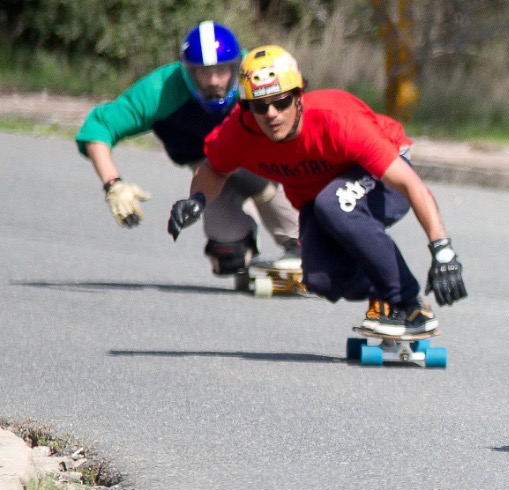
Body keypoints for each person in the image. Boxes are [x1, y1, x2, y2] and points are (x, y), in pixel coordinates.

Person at [167, 45, 467, 335]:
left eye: (281, 102)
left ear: (300, 95)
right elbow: (212, 170)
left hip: (382, 177)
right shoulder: (240, 133)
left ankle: (410, 307)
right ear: (247, 108)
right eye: (260, 106)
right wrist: (197, 199)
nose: (272, 114)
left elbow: (409, 183)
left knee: (335, 203)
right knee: (321, 278)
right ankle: (388, 294)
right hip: (322, 194)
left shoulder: (336, 119)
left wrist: (442, 251)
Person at [75, 21, 301, 276]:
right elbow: (99, 127)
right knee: (227, 258)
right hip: (208, 170)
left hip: (269, 161)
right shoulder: (161, 89)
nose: (214, 81)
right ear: (186, 72)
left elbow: (304, 117)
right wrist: (113, 184)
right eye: (203, 73)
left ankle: (302, 241)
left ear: (237, 66)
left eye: (222, 71)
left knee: (243, 168)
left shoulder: (258, 75)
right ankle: (243, 244)